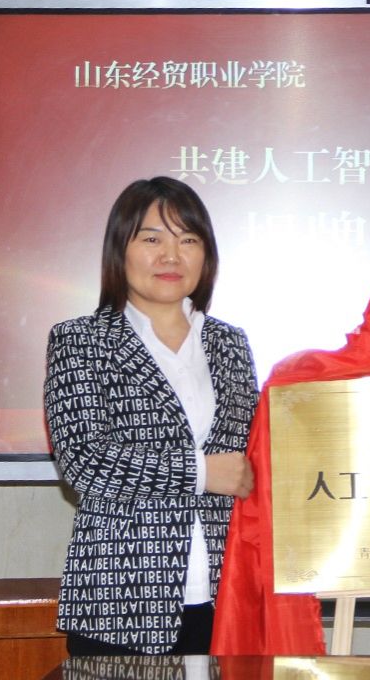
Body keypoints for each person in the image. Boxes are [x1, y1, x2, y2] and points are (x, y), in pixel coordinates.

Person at [44, 176, 259, 656]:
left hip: (226, 594)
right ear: (120, 250)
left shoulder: (230, 343)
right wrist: (202, 473)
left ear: (206, 256)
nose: (171, 256)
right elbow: (84, 461)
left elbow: (255, 454)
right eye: (152, 239)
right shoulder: (80, 341)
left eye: (188, 240)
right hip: (122, 598)